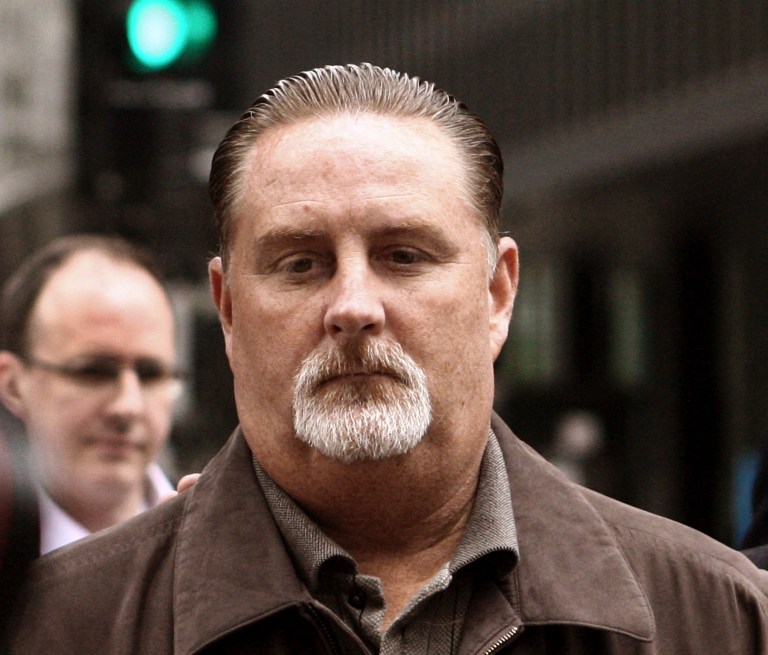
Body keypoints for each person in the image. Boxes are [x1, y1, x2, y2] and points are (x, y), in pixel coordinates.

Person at [8, 64, 768, 654]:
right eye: (300, 263)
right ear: (229, 309)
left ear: (498, 294)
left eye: (403, 255)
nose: (353, 306)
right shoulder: (53, 625)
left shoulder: (716, 616)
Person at [0, 234, 181, 555]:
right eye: (92, 372)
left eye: (151, 374)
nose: (128, 406)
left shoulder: (224, 548)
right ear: (12, 384)